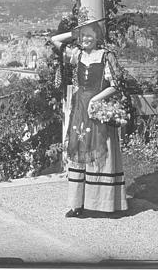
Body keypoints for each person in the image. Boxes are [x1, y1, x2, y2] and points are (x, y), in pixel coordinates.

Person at [51, 18, 128, 218]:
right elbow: (55, 40)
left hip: (97, 107)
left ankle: (106, 203)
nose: (85, 39)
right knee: (80, 148)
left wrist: (96, 98)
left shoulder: (106, 56)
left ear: (97, 38)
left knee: (103, 149)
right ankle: (77, 204)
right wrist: (75, 33)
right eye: (83, 36)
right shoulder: (76, 55)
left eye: (89, 36)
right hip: (79, 109)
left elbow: (115, 84)